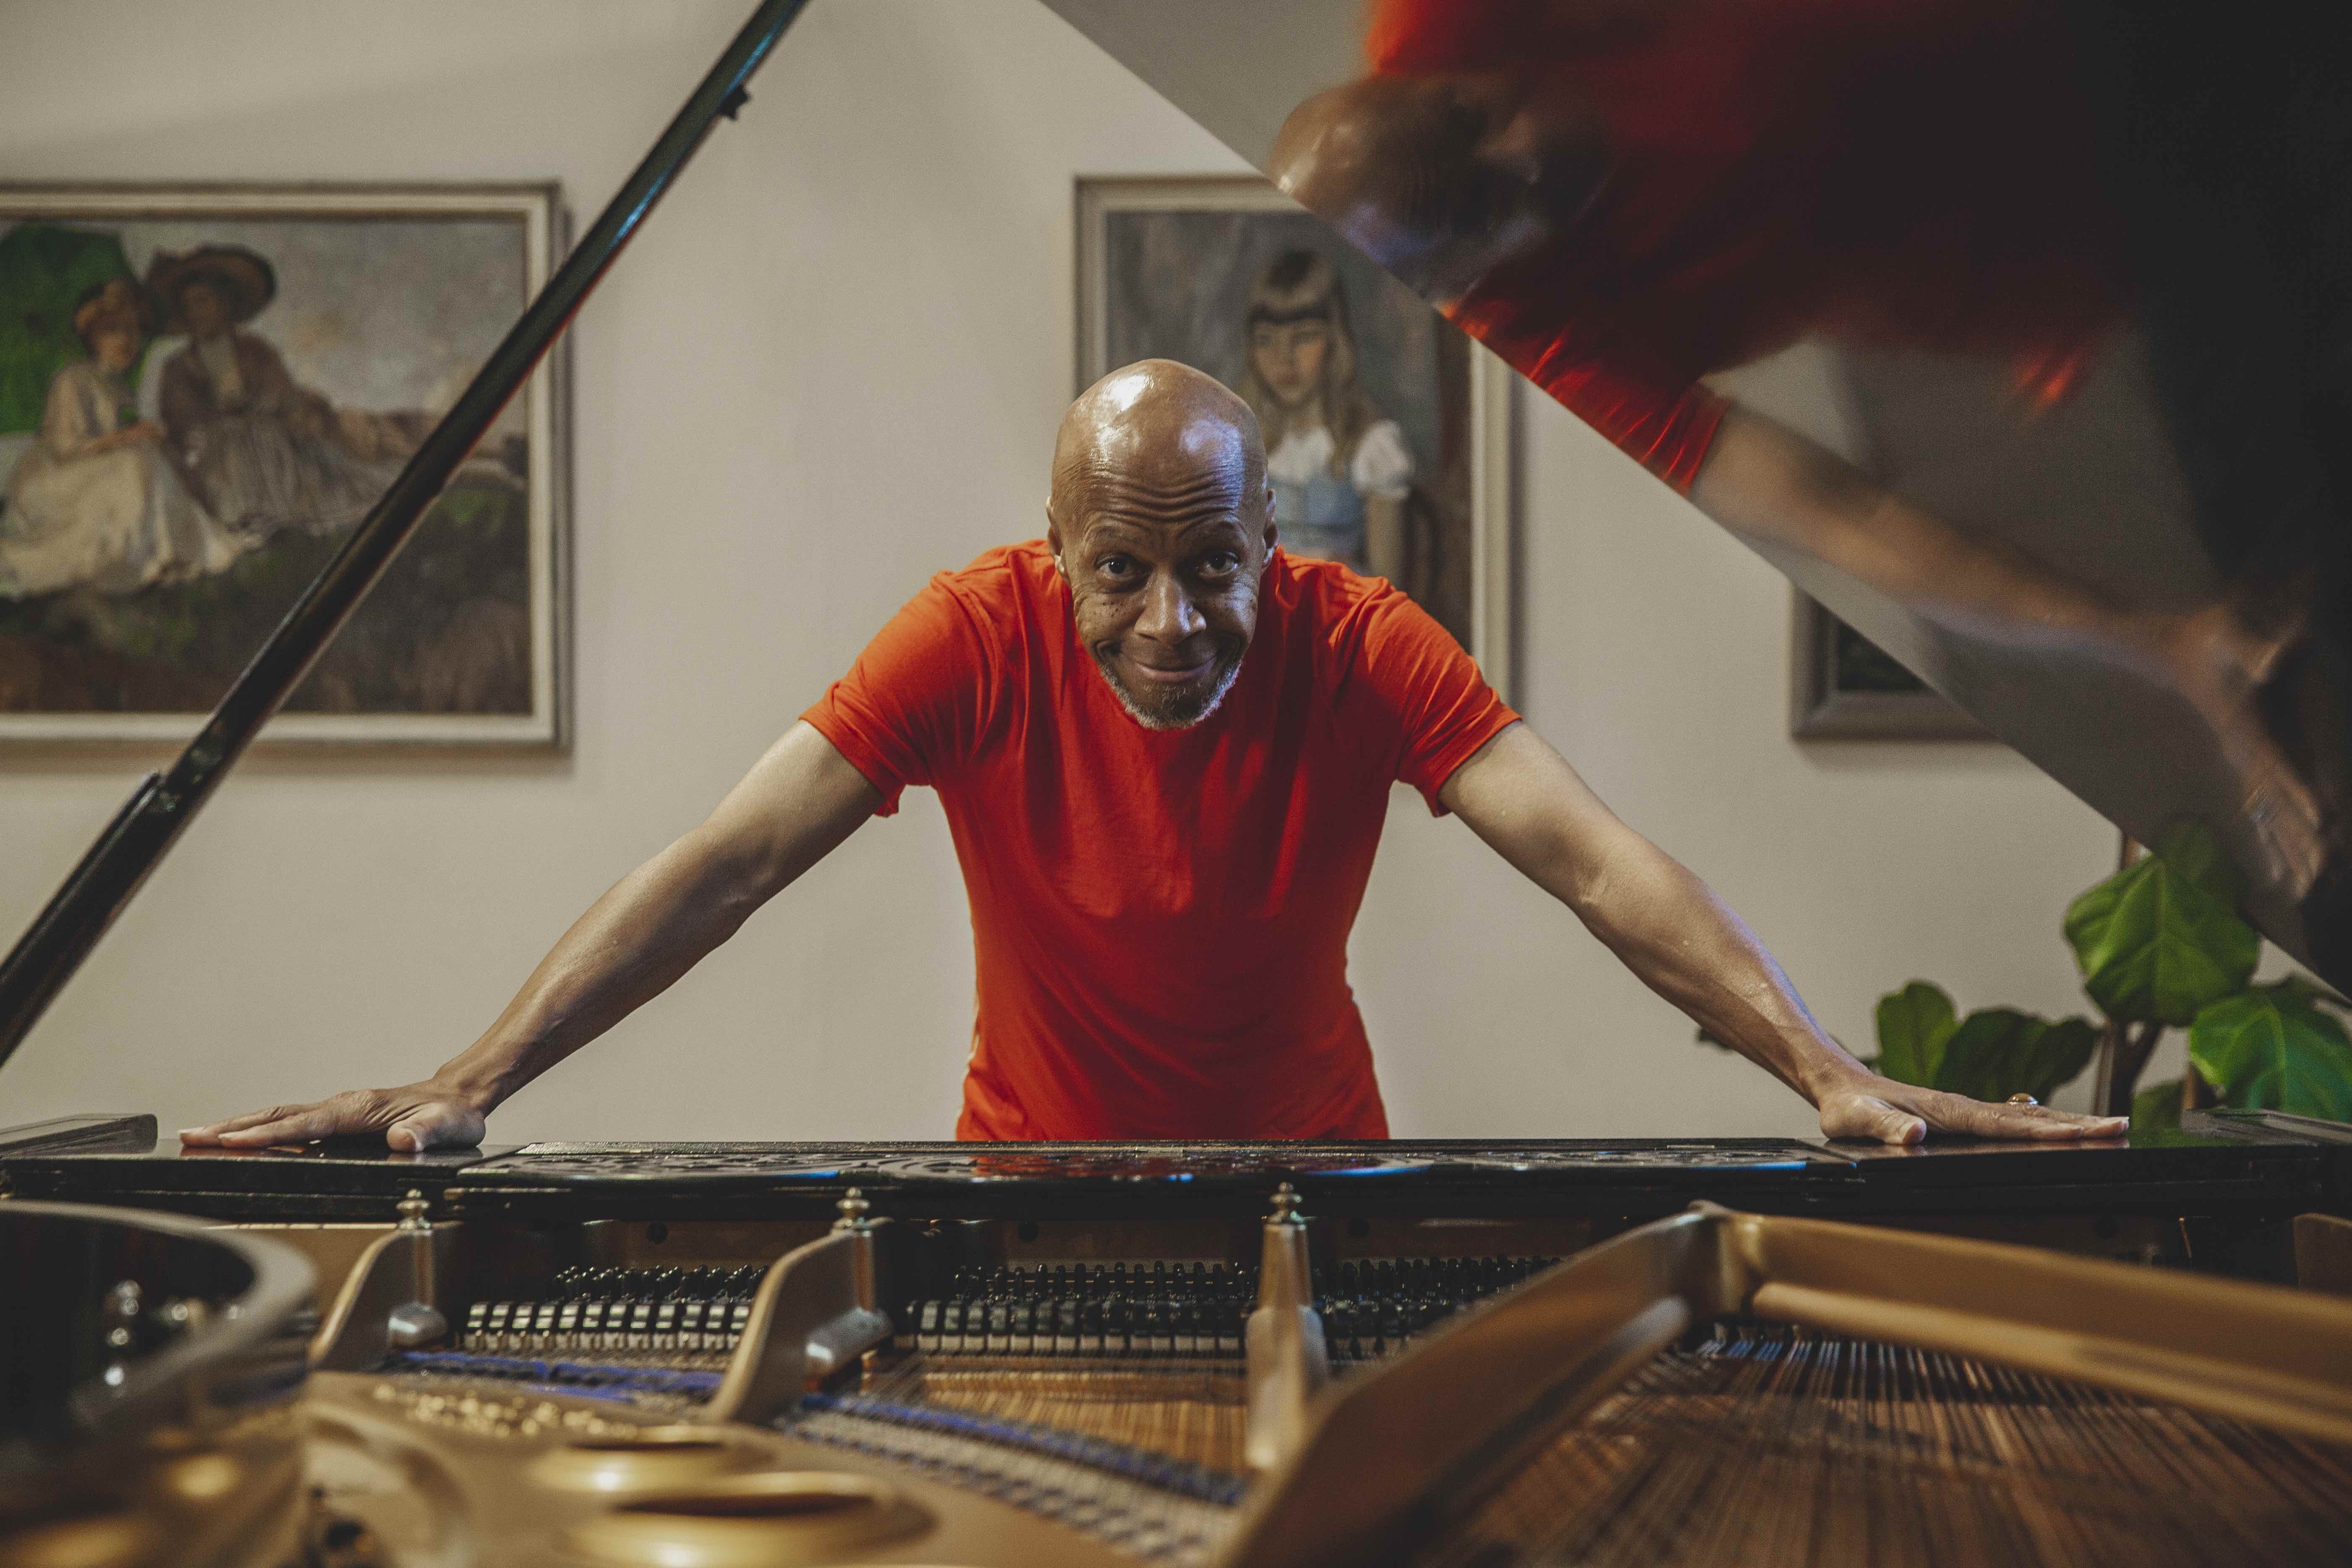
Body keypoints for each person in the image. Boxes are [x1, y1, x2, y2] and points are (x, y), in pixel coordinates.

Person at [180, 361, 2126, 1152]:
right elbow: (726, 857)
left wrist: (1821, 1070)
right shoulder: (967, 635)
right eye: (1124, 571)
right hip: (1014, 1202)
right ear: (1058, 560)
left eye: (1216, 569)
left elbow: (1601, 861)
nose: (1174, 623)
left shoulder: (1368, 649)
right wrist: (469, 1078)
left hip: (1316, 1189)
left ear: (1276, 546)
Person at [1269, 0, 2327, 897]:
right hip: (2100, 234)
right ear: (1452, 281)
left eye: (1470, 110)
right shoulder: (1545, 336)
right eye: (1488, 202)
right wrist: (2164, 643)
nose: (1527, 144)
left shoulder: (1443, 20)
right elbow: (1850, 522)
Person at [146, 245, 412, 540]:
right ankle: (246, 520)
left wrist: (265, 404)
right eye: (190, 305)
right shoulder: (179, 367)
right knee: (234, 444)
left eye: (205, 301)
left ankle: (280, 514)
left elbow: (280, 392)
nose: (198, 312)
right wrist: (214, 421)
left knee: (273, 439)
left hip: (269, 437)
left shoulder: (255, 351)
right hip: (214, 452)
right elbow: (180, 416)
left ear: (225, 305)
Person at [0, 280, 243, 598]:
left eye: (134, 331)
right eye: (114, 331)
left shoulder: (122, 390)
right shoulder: (73, 378)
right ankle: (127, 562)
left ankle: (165, 552)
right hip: (51, 480)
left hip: (95, 474)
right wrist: (125, 437)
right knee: (133, 462)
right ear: (93, 337)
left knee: (146, 458)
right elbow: (64, 448)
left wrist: (148, 439)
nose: (127, 340)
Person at [1236, 249, 1414, 581]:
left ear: (1335, 341)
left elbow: (1389, 588)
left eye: (1303, 338)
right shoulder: (1244, 444)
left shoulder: (1370, 446)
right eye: (1266, 341)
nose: (1283, 358)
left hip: (1341, 622)